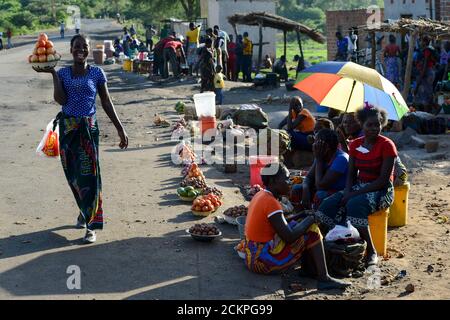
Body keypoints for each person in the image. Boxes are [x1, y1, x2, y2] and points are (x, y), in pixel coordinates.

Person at [32, 34, 128, 243]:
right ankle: (83, 211)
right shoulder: (64, 73)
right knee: (74, 176)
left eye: (84, 47)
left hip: (88, 131)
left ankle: (91, 226)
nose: (80, 50)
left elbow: (106, 102)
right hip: (68, 130)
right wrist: (53, 75)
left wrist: (120, 129)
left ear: (88, 50)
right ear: (70, 49)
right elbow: (61, 100)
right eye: (77, 47)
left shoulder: (97, 73)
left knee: (90, 176)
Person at [236, 163, 351, 289]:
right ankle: (324, 278)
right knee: (312, 230)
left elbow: (279, 223)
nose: (290, 182)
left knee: (299, 224)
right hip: (261, 262)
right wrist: (311, 219)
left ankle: (308, 270)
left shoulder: (261, 195)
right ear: (274, 181)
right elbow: (289, 237)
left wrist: (300, 215)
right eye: (286, 179)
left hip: (251, 255)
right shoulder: (271, 202)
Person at [316, 105, 396, 266]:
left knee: (354, 204)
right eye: (370, 125)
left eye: (377, 124)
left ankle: (371, 251)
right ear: (362, 125)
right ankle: (338, 243)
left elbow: (382, 180)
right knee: (328, 204)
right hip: (359, 186)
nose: (374, 128)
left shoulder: (387, 145)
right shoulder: (355, 145)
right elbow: (352, 174)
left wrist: (351, 195)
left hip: (381, 190)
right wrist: (346, 192)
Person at [291, 129, 349, 210]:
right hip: (324, 189)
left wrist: (318, 159)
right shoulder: (322, 154)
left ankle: (316, 218)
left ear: (326, 147)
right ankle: (300, 213)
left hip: (339, 192)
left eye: (316, 142)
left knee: (320, 194)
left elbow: (321, 186)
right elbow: (308, 177)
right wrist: (306, 189)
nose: (313, 145)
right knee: (297, 188)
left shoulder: (341, 159)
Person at [414, 36, 437, 110]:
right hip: (430, 72)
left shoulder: (427, 50)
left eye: (421, 41)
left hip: (427, 72)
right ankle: (430, 111)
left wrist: (421, 75)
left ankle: (427, 112)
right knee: (428, 92)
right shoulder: (429, 49)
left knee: (425, 94)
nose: (420, 43)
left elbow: (425, 63)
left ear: (425, 42)